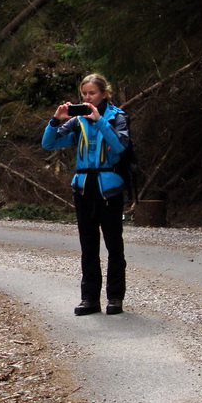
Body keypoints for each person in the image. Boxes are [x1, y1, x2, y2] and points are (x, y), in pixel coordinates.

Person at [41, 73, 130, 316]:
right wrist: (55, 120)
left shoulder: (117, 117)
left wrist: (99, 120)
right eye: (84, 94)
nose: (87, 98)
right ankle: (90, 298)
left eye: (92, 93)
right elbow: (49, 144)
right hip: (83, 187)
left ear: (103, 93)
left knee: (114, 245)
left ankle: (115, 298)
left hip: (109, 187)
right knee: (88, 246)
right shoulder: (77, 121)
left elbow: (121, 146)